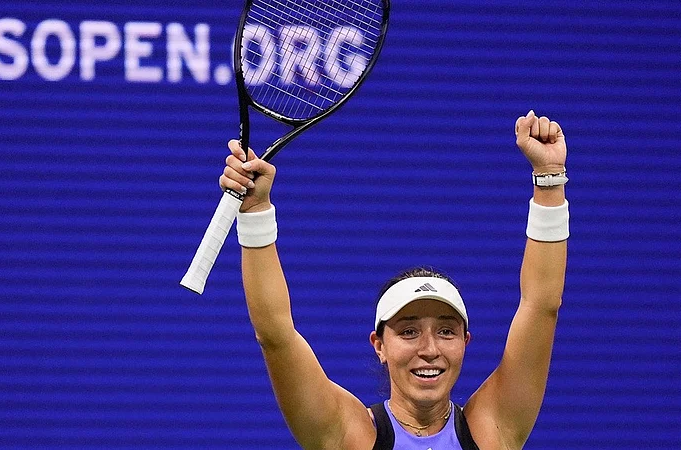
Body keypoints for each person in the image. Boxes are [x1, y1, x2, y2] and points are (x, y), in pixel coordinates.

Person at [218, 110, 569, 449]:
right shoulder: (348, 436)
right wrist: (254, 213)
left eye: (446, 331)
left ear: (465, 341)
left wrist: (550, 177)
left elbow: (541, 306)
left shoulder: (492, 429)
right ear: (379, 345)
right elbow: (275, 334)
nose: (429, 350)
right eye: (408, 331)